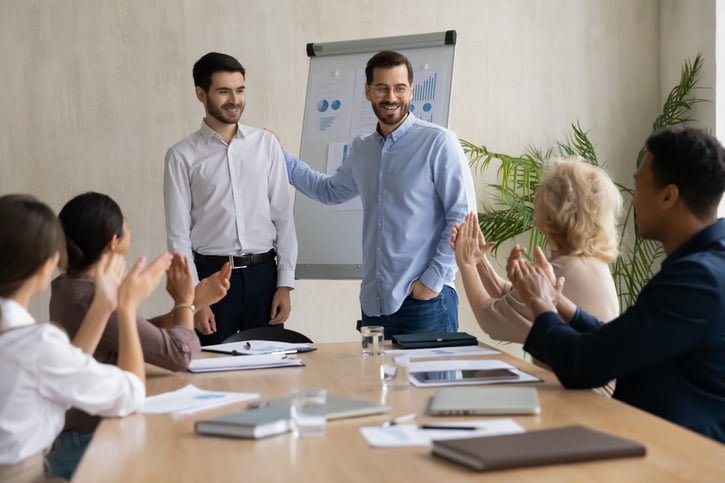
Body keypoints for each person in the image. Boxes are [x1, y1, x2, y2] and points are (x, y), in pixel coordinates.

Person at [510, 126, 725, 443]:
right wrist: (561, 304)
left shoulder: (697, 280)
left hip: (682, 457)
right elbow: (622, 342)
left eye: (639, 187)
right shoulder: (706, 266)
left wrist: (540, 304)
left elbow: (582, 364)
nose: (633, 201)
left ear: (669, 195)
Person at [283, 50, 476, 338]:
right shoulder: (363, 148)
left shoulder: (438, 142)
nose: (391, 97)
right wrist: (279, 157)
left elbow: (463, 218)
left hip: (425, 304)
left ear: (411, 90)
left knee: (429, 384)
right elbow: (329, 191)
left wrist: (430, 284)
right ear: (368, 91)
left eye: (400, 88)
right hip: (374, 305)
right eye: (382, 88)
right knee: (377, 384)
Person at [46, 191, 230, 480]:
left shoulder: (70, 287)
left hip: (81, 440)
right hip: (90, 447)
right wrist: (184, 303)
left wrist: (192, 302)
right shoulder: (91, 297)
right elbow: (180, 354)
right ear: (114, 242)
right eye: (126, 224)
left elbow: (126, 332)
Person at [0, 194, 170, 482]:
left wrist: (103, 306)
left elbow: (67, 368)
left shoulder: (29, 342)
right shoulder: (37, 344)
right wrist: (126, 307)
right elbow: (131, 393)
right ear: (45, 264)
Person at [164, 52, 297, 346]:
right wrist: (195, 299)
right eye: (224, 91)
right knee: (213, 374)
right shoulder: (182, 156)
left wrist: (284, 284)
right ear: (201, 94)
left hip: (265, 276)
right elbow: (178, 236)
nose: (234, 100)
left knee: (269, 374)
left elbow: (283, 218)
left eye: (240, 90)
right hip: (210, 278)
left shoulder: (266, 145)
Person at [453, 156, 622, 343]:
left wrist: (467, 264)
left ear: (557, 207)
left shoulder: (567, 269)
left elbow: (491, 320)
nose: (534, 197)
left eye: (541, 190)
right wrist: (479, 261)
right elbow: (513, 299)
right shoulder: (582, 262)